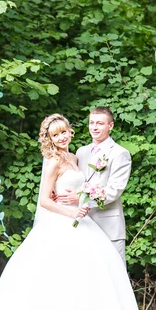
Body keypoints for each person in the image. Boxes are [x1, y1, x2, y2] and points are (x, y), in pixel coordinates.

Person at [0, 113, 146, 310]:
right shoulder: (53, 161)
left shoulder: (76, 156)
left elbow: (96, 188)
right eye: (56, 135)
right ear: (50, 139)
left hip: (85, 221)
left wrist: (81, 201)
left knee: (85, 281)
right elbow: (44, 200)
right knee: (55, 278)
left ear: (70, 131)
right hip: (64, 221)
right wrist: (70, 212)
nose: (61, 137)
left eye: (64, 132)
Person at [55, 107, 130, 263]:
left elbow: (114, 191)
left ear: (110, 126)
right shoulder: (81, 152)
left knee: (114, 273)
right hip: (82, 224)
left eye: (100, 123)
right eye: (92, 123)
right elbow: (75, 179)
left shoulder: (119, 153)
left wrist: (81, 199)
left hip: (108, 224)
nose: (94, 127)